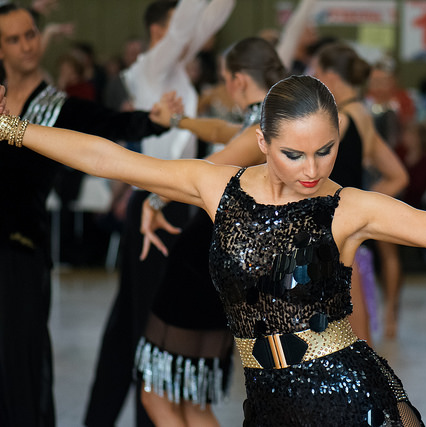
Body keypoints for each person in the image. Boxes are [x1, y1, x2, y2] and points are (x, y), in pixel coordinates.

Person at [0, 73, 426, 426]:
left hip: (343, 396)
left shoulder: (349, 207)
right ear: (262, 141)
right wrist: (13, 130)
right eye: (293, 153)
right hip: (266, 400)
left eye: (324, 151)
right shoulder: (218, 187)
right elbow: (114, 160)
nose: (311, 167)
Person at [0, 3, 177, 426]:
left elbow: (109, 126)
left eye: (31, 34)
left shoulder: (58, 105)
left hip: (20, 252)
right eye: (13, 38)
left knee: (19, 360)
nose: (27, 45)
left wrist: (153, 123)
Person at [83, 1, 235, 426]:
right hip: (154, 207)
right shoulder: (150, 68)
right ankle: (149, 416)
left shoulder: (175, 75)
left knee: (128, 324)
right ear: (157, 32)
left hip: (173, 205)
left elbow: (208, 20)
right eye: (175, 32)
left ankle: (103, 416)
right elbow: (189, 23)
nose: (191, 40)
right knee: (150, 323)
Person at [134, 36, 288, 427]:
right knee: (192, 403)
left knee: (156, 396)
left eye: (223, 80)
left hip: (200, 263)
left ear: (236, 80)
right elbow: (223, 129)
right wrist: (177, 121)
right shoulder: (273, 122)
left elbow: (205, 169)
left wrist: (152, 203)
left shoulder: (262, 130)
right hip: (226, 266)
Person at [310, 41, 409, 341]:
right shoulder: (362, 115)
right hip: (347, 235)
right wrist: (361, 203)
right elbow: (398, 176)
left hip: (330, 237)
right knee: (355, 335)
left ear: (331, 77)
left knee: (341, 337)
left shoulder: (339, 120)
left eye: (316, 74)